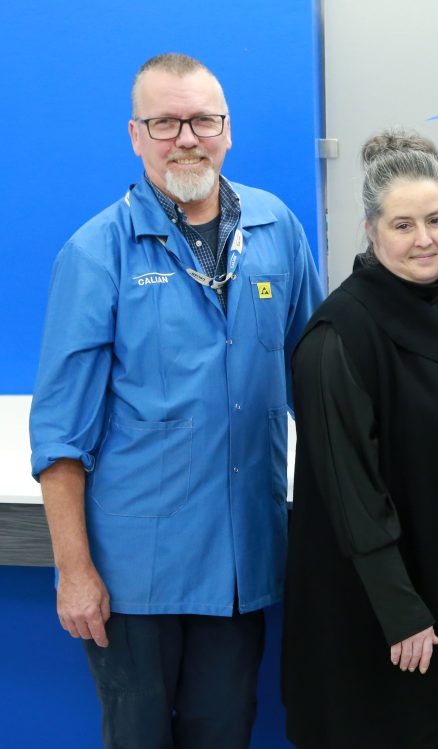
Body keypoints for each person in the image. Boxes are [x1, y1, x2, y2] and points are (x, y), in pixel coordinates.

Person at [29, 53, 323, 748]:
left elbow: (318, 384)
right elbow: (60, 436)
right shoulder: (96, 253)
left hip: (242, 564)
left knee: (226, 733)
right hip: (135, 576)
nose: (187, 138)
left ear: (228, 130)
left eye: (203, 120)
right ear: (136, 135)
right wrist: (75, 573)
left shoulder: (278, 229)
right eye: (165, 123)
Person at [282, 129, 438, 749]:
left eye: (436, 220)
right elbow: (351, 494)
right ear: (370, 231)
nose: (425, 239)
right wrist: (401, 613)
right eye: (403, 225)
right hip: (382, 607)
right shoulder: (338, 336)